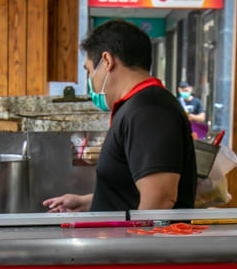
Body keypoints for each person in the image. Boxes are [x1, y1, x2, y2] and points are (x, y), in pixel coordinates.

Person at [43, 20, 197, 212]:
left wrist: (134, 241)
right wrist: (90, 202)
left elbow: (160, 198)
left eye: (89, 71)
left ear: (107, 61)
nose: (91, 80)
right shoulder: (137, 106)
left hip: (136, 242)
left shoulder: (149, 109)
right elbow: (132, 193)